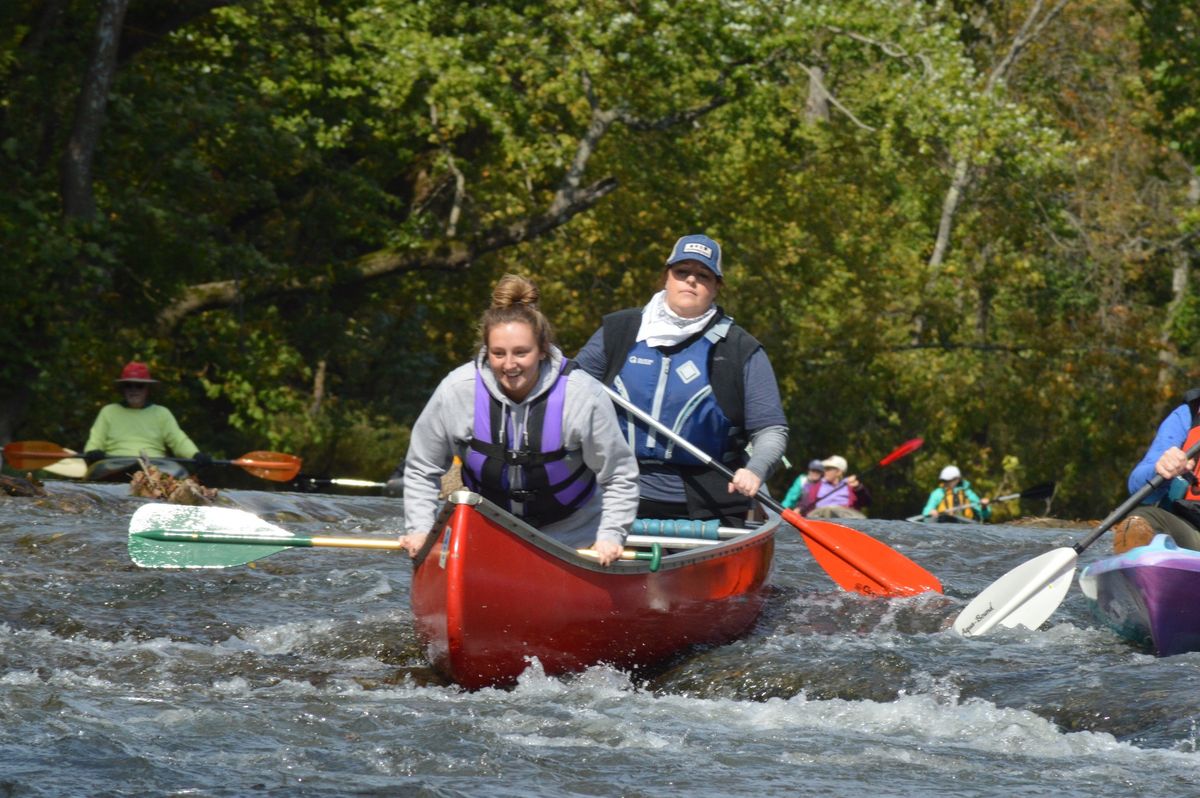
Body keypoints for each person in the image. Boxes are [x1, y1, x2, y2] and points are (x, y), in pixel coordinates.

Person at [398, 274, 639, 565]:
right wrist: (421, 530)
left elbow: (619, 476)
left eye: (521, 353)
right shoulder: (455, 391)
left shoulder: (583, 396)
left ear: (542, 350)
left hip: (573, 538)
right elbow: (422, 468)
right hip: (486, 531)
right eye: (498, 354)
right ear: (486, 351)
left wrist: (611, 536)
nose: (509, 365)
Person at [574, 233, 789, 526]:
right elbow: (568, 395)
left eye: (703, 275)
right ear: (667, 277)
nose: (691, 280)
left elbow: (771, 429)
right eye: (682, 272)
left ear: (716, 288)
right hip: (612, 491)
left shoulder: (741, 349)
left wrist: (755, 469)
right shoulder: (618, 331)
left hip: (708, 506)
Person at [1112, 391, 1200, 553]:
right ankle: (1139, 572)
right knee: (1141, 519)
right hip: (1190, 530)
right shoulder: (1187, 415)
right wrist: (1160, 469)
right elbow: (1137, 487)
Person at [82, 361, 210, 470]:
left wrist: (195, 454)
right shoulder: (108, 411)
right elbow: (96, 439)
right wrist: (93, 452)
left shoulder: (161, 413)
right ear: (123, 389)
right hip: (114, 465)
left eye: (139, 385)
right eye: (129, 385)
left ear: (147, 389)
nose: (134, 390)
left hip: (155, 466)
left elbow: (178, 440)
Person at [806, 455, 871, 518]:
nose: (824, 472)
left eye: (828, 469)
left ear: (839, 472)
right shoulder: (817, 486)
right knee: (828, 510)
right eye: (824, 469)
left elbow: (866, 502)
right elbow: (807, 505)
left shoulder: (850, 484)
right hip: (820, 515)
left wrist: (858, 488)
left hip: (844, 516)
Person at [920, 465, 991, 522]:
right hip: (944, 528)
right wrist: (930, 511)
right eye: (944, 480)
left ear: (957, 479)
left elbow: (985, 515)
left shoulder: (967, 493)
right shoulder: (938, 493)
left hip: (967, 528)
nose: (945, 483)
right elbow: (927, 510)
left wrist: (984, 507)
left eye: (948, 481)